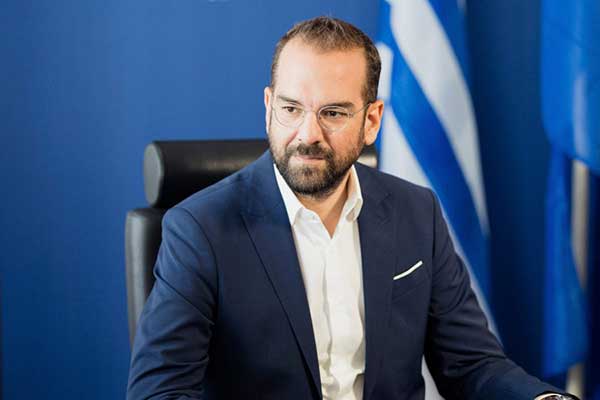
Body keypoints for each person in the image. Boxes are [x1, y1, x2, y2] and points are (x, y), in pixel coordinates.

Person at [127, 16, 576, 400]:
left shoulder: (416, 213)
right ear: (268, 107)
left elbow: (472, 365)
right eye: (291, 109)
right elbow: (160, 391)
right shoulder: (200, 229)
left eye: (333, 113)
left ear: (372, 120)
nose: (308, 134)